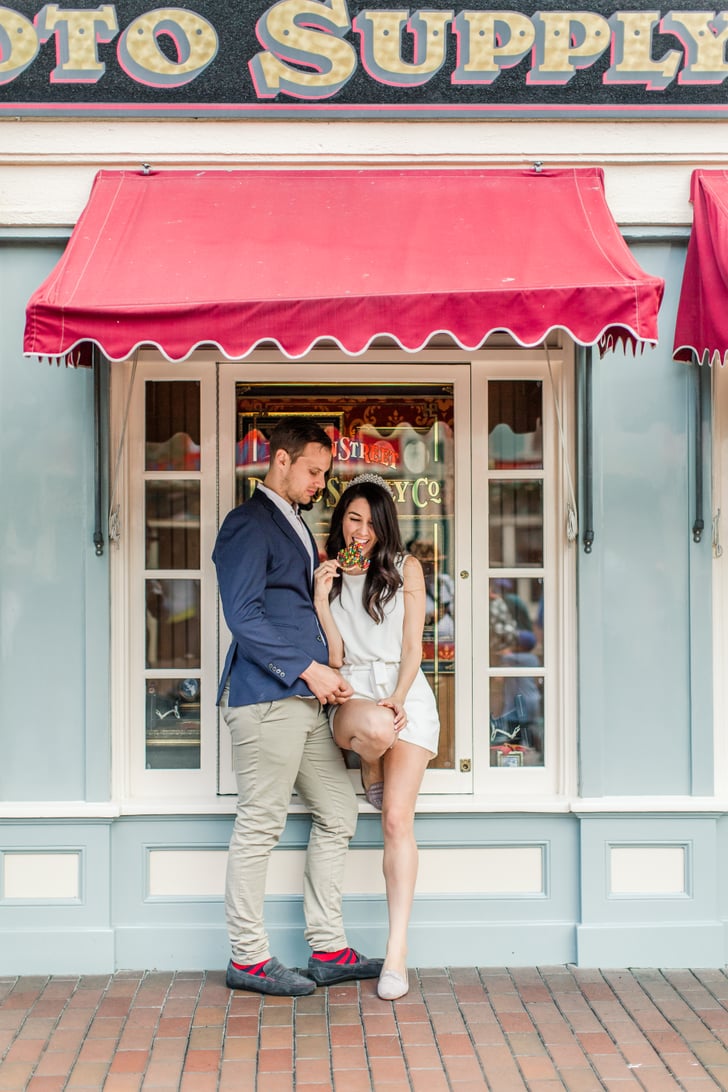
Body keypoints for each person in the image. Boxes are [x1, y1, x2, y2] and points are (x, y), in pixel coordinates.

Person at [212, 417, 383, 997]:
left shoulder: (298, 526)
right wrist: (309, 668)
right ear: (279, 459)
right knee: (260, 824)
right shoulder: (246, 523)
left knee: (340, 810)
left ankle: (328, 948)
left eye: (325, 473)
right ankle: (248, 957)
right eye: (313, 470)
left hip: (305, 700)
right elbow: (243, 616)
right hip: (267, 698)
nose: (320, 483)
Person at [313, 474, 440, 1002]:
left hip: (404, 692)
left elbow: (413, 646)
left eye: (370, 521)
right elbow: (336, 657)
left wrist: (400, 695)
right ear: (341, 522)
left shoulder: (406, 569)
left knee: (395, 819)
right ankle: (370, 765)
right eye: (352, 519)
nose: (361, 531)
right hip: (351, 694)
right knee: (374, 728)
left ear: (385, 524)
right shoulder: (333, 574)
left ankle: (397, 952)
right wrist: (322, 599)